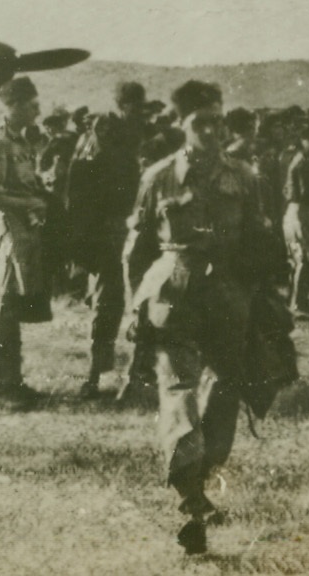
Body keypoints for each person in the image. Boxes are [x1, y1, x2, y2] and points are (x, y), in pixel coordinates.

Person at [123, 80, 266, 555]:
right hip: (175, 290)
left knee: (224, 393)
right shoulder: (159, 177)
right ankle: (189, 500)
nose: (210, 130)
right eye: (199, 123)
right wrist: (133, 303)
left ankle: (199, 480)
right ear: (182, 125)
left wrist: (262, 300)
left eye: (217, 121)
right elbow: (136, 246)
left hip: (227, 293)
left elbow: (258, 244)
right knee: (180, 392)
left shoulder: (245, 177)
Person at [0, 76, 50, 409]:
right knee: (7, 303)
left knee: (16, 302)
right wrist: (29, 205)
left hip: (25, 227)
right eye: (33, 104)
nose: (38, 110)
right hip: (8, 227)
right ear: (16, 105)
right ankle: (5, 383)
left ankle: (14, 379)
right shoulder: (0, 143)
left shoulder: (22, 142)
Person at [65, 112, 141, 398]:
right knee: (107, 307)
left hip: (121, 241)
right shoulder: (84, 165)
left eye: (110, 130)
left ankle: (123, 375)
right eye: (101, 130)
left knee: (121, 307)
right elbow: (76, 210)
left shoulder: (124, 164)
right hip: (104, 246)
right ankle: (95, 376)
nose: (105, 135)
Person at [283, 122, 309, 317]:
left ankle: (294, 300)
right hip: (302, 210)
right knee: (305, 258)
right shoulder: (305, 163)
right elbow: (307, 191)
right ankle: (299, 303)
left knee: (297, 258)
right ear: (303, 141)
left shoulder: (299, 159)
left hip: (295, 209)